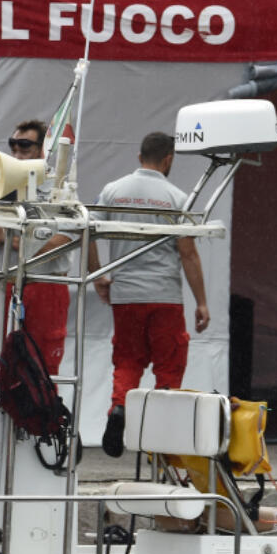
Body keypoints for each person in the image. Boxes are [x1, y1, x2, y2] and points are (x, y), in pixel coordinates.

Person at [89, 131, 210, 457]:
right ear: (168, 159)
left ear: (139, 156)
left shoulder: (113, 191)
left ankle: (118, 409)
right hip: (164, 296)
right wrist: (201, 301)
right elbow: (188, 253)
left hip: (126, 295)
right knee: (169, 366)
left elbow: (87, 230)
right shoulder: (176, 198)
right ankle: (163, 433)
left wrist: (99, 275)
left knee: (128, 360)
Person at [0, 118, 75, 375]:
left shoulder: (59, 188)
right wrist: (8, 234)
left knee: (41, 370)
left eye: (24, 147)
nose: (15, 153)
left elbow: (62, 241)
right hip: (5, 283)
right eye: (13, 146)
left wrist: (8, 233)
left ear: (43, 150)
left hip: (45, 285)